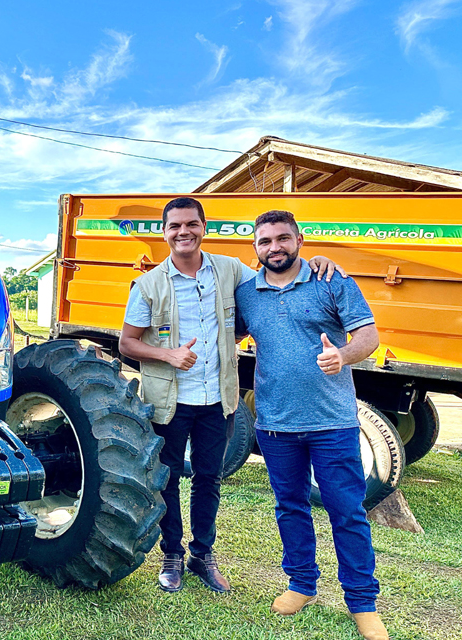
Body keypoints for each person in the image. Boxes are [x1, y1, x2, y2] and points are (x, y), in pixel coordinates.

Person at [118, 197, 343, 594]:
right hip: (169, 403)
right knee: (167, 479)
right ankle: (171, 555)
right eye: (175, 227)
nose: (183, 232)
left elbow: (277, 272)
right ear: (165, 232)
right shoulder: (150, 284)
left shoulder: (230, 270)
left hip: (218, 401)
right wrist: (167, 354)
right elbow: (127, 344)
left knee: (209, 478)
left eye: (191, 224)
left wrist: (318, 260)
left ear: (204, 227)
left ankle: (202, 555)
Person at [235, 210, 386, 640]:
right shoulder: (248, 293)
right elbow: (228, 334)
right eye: (265, 241)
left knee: (347, 513)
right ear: (256, 249)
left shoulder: (332, 281)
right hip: (275, 424)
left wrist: (343, 355)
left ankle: (362, 603)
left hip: (332, 424)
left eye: (283, 238)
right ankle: (302, 584)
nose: (274, 247)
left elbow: (368, 336)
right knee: (290, 507)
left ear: (299, 240)